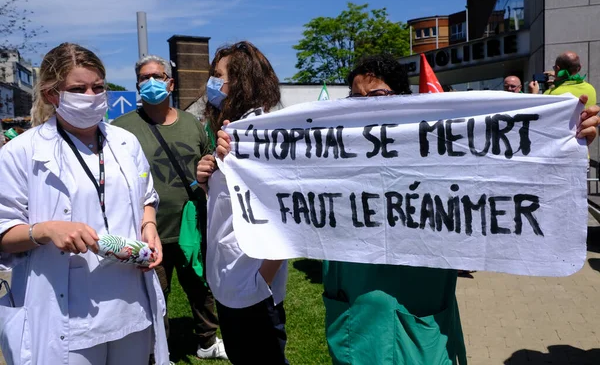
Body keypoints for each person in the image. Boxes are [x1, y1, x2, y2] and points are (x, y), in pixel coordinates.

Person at [215, 52, 600, 365]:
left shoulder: (437, 153)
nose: (365, 106)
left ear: (403, 102)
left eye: (377, 96)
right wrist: (231, 159)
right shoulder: (328, 157)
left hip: (423, 315)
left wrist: (565, 137)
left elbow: (502, 175)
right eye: (355, 98)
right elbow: (277, 179)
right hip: (357, 319)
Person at [0, 43, 169, 364]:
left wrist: (149, 226)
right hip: (67, 314)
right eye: (78, 89)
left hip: (129, 304)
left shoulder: (125, 142)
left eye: (98, 87)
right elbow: (3, 230)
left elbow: (146, 196)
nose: (91, 96)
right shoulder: (21, 152)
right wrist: (46, 230)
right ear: (52, 94)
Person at [111, 55, 225, 360]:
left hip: (192, 229)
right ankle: (158, 351)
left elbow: (210, 165)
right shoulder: (121, 129)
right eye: (144, 78)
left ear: (170, 83)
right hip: (149, 233)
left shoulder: (192, 124)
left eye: (157, 77)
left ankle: (208, 342)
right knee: (155, 297)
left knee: (202, 290)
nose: (150, 83)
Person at [196, 41, 288, 364]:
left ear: (242, 82)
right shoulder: (229, 133)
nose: (211, 83)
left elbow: (285, 212)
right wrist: (209, 176)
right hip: (228, 283)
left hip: (252, 287)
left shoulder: (262, 136)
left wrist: (261, 280)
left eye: (218, 75)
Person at [531, 51, 597, 108]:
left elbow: (536, 113)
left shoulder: (550, 94)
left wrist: (534, 94)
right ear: (579, 68)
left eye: (554, 68)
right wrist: (557, 82)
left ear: (557, 68)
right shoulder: (590, 89)